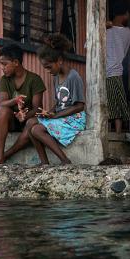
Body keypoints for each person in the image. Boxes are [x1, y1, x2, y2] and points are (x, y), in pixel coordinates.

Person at [27, 33, 86, 165]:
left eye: (49, 67)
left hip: (75, 119)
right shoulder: (56, 77)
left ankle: (64, 160)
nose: (47, 70)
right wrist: (50, 112)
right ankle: (44, 162)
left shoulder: (73, 77)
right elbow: (59, 103)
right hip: (62, 116)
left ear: (59, 60)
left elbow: (79, 106)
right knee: (30, 122)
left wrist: (56, 115)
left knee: (36, 130)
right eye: (45, 68)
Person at [0, 44, 46, 164]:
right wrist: (15, 100)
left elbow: (38, 108)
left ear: (16, 62)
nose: (2, 68)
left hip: (28, 120)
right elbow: (2, 103)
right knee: (2, 110)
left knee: (32, 124)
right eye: (1, 64)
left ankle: (5, 156)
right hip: (11, 121)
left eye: (5, 64)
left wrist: (24, 116)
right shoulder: (5, 80)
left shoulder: (34, 79)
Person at [106, 4, 130, 134]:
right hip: (117, 71)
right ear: (124, 14)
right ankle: (117, 132)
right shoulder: (128, 32)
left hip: (105, 72)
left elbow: (87, 46)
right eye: (128, 14)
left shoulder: (105, 30)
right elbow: (124, 52)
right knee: (117, 104)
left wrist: (103, 27)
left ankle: (113, 132)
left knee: (109, 104)